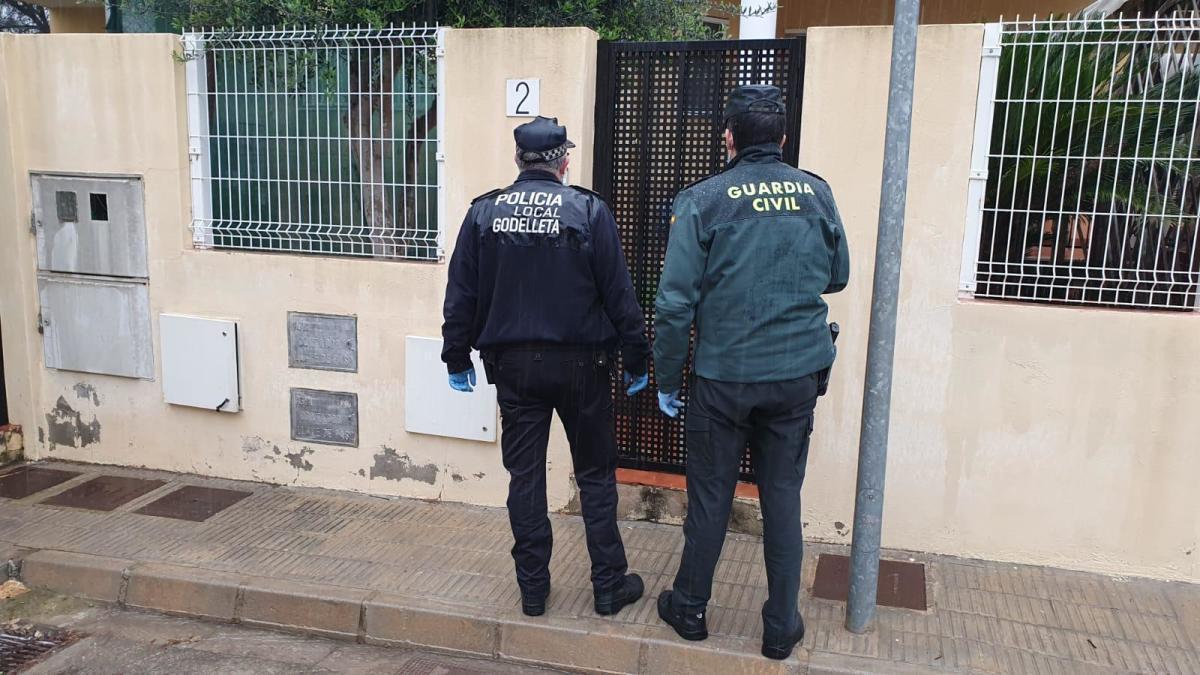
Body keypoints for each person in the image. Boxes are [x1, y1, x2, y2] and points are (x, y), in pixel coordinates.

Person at [652, 85, 850, 660]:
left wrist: (667, 378)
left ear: (729, 138)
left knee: (711, 496)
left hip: (725, 377)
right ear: (783, 139)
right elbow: (836, 276)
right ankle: (781, 626)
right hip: (796, 375)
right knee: (783, 497)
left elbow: (672, 304)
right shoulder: (817, 194)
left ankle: (689, 609)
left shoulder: (704, 200)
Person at [442, 116, 649, 619]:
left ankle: (533, 590)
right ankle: (607, 586)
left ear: (518, 160)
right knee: (596, 476)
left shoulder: (483, 213)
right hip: (584, 367)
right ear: (563, 162)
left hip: (514, 369)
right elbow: (618, 293)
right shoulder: (588, 210)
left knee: (526, 478)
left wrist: (455, 354)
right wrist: (638, 357)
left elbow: (461, 293)